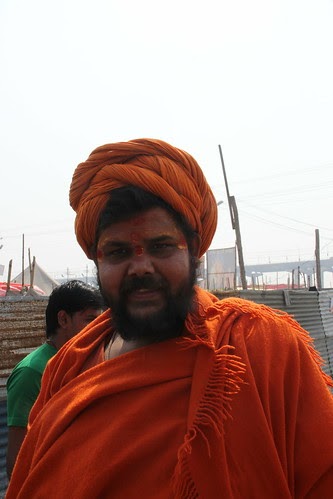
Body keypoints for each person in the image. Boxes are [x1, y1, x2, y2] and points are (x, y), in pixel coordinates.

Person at [6, 139, 333, 498]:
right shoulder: (69, 366)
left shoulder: (260, 348)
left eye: (161, 246)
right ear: (97, 261)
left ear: (194, 250)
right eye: (118, 252)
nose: (140, 267)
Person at [6, 279, 104, 479]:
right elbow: (17, 461)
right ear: (63, 319)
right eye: (90, 320)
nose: (97, 328)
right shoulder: (32, 372)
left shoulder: (89, 362)